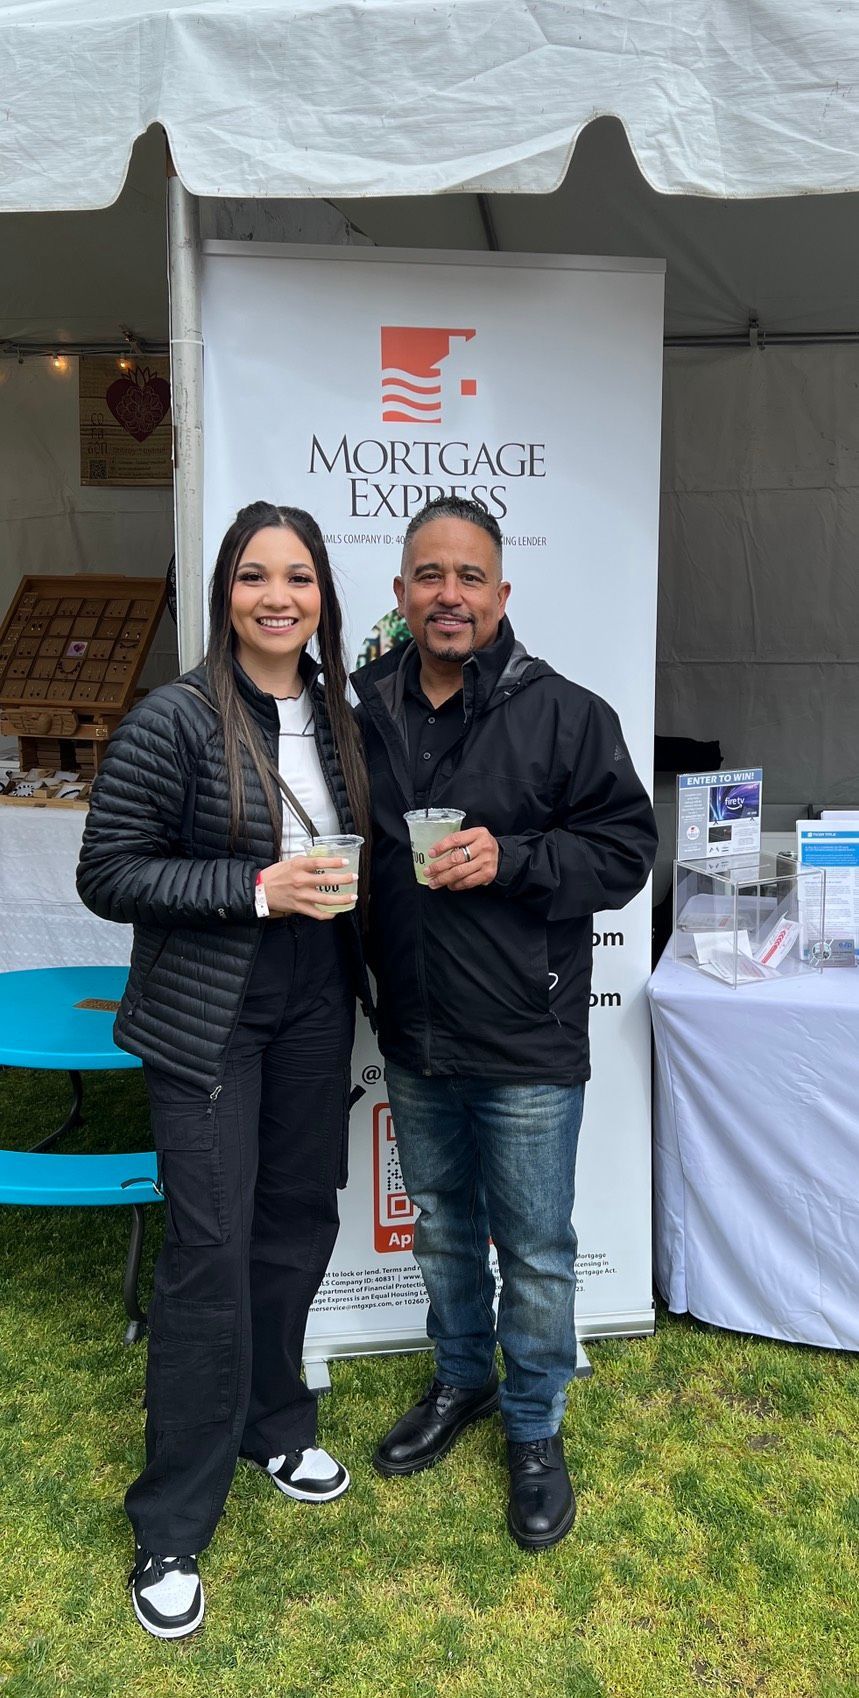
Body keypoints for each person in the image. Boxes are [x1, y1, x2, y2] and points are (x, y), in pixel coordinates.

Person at [77, 501, 371, 1638]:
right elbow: (110, 872)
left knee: (297, 1218)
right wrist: (253, 888)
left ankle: (275, 1422)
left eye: (299, 578)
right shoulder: (176, 718)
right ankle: (171, 1524)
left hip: (313, 1003)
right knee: (208, 1245)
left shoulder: (341, 719)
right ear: (226, 593)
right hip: (209, 1016)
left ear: (322, 599)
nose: (278, 597)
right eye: (256, 577)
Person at [352, 495, 657, 1551]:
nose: (449, 594)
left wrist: (514, 858)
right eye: (429, 575)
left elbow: (624, 853)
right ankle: (459, 1383)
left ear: (500, 594)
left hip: (525, 1040)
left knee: (533, 1248)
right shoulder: (364, 711)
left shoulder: (565, 714)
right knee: (440, 1227)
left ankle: (533, 1427)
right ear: (400, 593)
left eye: (469, 577)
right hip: (415, 1027)